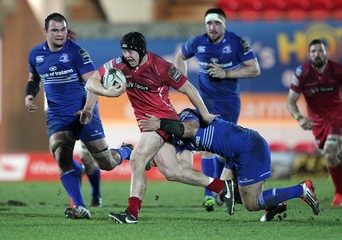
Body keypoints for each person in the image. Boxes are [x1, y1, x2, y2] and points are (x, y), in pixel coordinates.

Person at [85, 31, 235, 224]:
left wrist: (205, 114)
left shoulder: (161, 66)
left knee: (138, 159)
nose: (127, 55)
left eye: (130, 51)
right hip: (147, 125)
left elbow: (189, 88)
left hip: (162, 121)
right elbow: (91, 82)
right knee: (173, 172)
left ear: (140, 50)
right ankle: (222, 187)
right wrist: (107, 92)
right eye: (124, 51)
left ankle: (131, 213)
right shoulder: (118, 65)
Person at [24, 12, 133, 219]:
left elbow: (93, 83)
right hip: (57, 116)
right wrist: (29, 94)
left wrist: (89, 110)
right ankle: (81, 207)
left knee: (106, 163)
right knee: (61, 156)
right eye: (55, 30)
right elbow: (34, 78)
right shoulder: (35, 55)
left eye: (63, 29)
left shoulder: (76, 52)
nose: (60, 34)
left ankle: (127, 151)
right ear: (45, 31)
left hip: (83, 112)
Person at [138, 108, 320, 221]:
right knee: (222, 195)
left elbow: (191, 128)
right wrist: (154, 159)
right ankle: (274, 204)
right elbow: (182, 168)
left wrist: (160, 124)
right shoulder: (177, 145)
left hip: (249, 147)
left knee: (251, 203)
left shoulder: (186, 115)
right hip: (234, 155)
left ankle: (301, 189)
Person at [174, 7, 261, 211]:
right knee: (205, 147)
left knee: (224, 150)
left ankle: (226, 187)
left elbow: (255, 69)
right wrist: (182, 80)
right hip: (205, 102)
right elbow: (179, 57)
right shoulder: (197, 42)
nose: (212, 27)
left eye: (217, 23)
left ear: (224, 25)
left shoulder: (237, 42)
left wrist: (226, 73)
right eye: (209, 23)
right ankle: (210, 195)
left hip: (229, 103)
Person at [286, 39, 342, 207]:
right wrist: (300, 118)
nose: (317, 54)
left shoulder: (338, 69)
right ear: (309, 54)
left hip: (337, 116)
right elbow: (290, 102)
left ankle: (339, 195)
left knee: (331, 154)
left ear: (327, 53)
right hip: (317, 122)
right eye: (314, 51)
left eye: (321, 50)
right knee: (334, 158)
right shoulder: (302, 73)